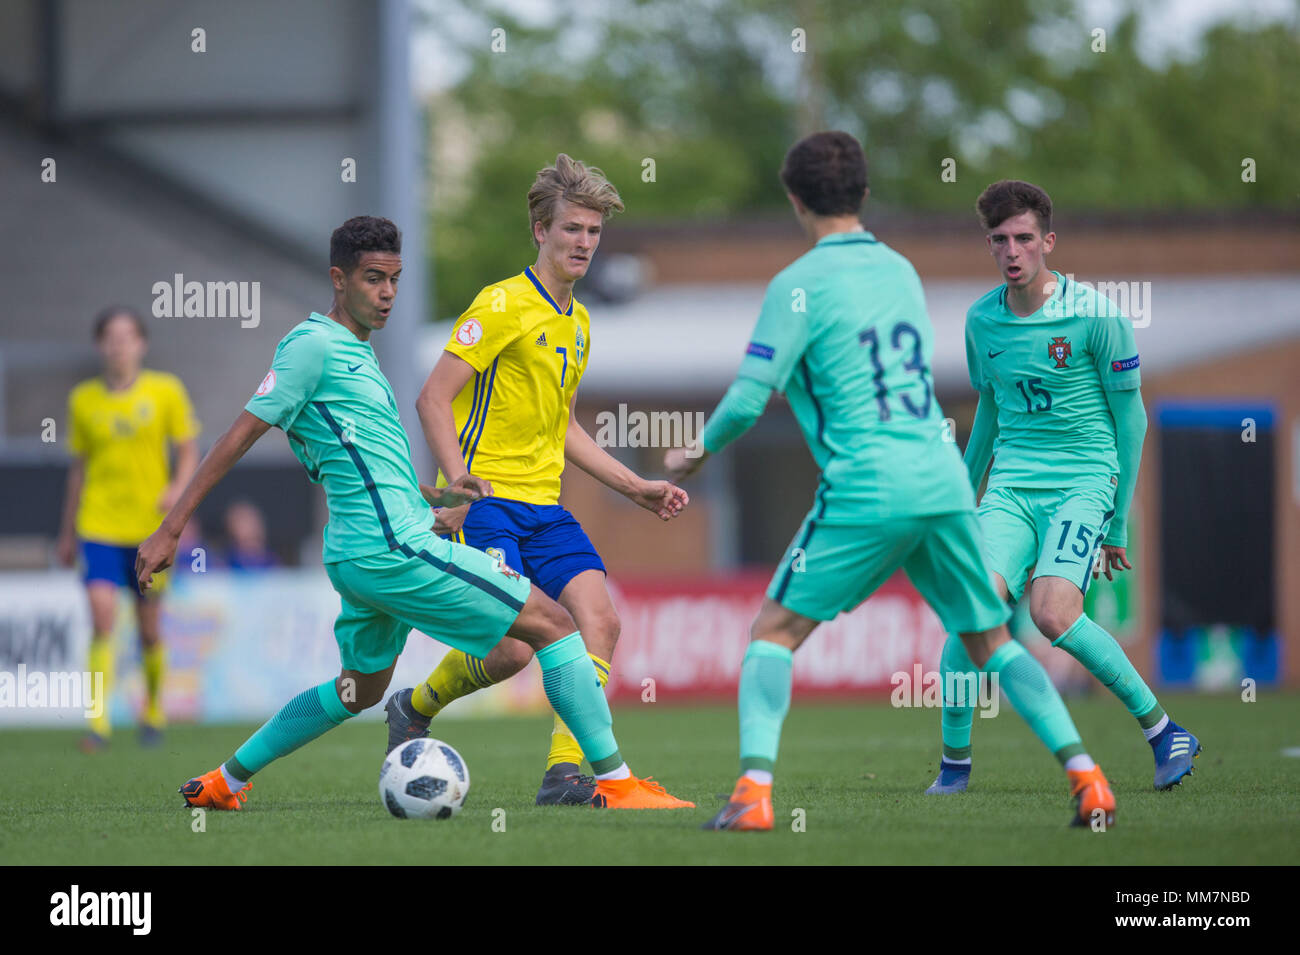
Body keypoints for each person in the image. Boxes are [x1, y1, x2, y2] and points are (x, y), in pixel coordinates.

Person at [136, 215, 692, 811]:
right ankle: (614, 782)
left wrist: (437, 498)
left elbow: (362, 465)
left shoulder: (357, 353)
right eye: (374, 279)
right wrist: (172, 527)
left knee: (358, 690)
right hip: (389, 547)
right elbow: (237, 436)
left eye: (395, 281)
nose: (387, 294)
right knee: (552, 623)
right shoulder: (310, 346)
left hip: (363, 550)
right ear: (337, 279)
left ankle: (225, 782)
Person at [666, 132, 1115, 831]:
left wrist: (692, 450)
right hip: (940, 477)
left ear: (793, 199)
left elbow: (752, 398)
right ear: (865, 195)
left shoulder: (796, 285)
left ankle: (753, 795)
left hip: (867, 483)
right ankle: (1087, 777)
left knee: (773, 632)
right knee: (992, 640)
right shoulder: (901, 270)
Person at [383, 155, 689, 806]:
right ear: (540, 230)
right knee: (514, 652)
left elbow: (564, 426)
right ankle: (414, 704)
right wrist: (459, 478)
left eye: (593, 232)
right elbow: (433, 398)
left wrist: (634, 486)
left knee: (600, 622)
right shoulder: (500, 304)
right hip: (488, 505)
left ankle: (565, 774)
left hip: (546, 509)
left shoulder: (577, 325)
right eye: (572, 228)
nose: (584, 242)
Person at [925, 180, 1199, 796]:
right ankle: (954, 767)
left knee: (1052, 614)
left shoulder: (1097, 316)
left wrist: (1118, 520)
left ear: (1048, 241)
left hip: (1083, 480)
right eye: (999, 240)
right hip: (1013, 488)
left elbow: (1133, 419)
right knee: (971, 613)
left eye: (1024, 238)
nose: (1012, 251)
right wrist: (962, 500)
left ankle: (1163, 731)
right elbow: (990, 416)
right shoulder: (981, 322)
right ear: (989, 245)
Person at [57, 306, 199, 750]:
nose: (119, 345)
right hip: (97, 524)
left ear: (142, 343)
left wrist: (177, 490)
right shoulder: (83, 400)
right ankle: (97, 723)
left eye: (128, 336)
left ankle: (152, 711)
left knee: (149, 628)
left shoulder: (165, 391)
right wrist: (66, 532)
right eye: (111, 337)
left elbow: (189, 448)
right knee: (102, 619)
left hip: (147, 531)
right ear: (101, 345)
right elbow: (78, 469)